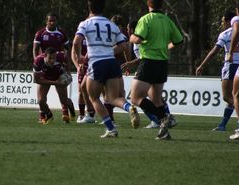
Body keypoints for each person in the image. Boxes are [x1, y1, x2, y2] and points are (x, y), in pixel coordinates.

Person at [72, 0, 140, 138]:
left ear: (89, 8)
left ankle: (111, 129)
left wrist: (79, 57)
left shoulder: (85, 23)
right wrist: (108, 51)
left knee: (94, 97)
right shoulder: (112, 25)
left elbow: (76, 42)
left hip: (97, 63)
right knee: (113, 98)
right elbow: (124, 46)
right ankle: (129, 108)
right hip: (112, 63)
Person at [129, 0, 183, 140]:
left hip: (149, 61)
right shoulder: (167, 20)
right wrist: (165, 47)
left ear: (148, 4)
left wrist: (132, 36)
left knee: (135, 98)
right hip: (162, 63)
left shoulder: (146, 19)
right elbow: (178, 40)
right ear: (162, 5)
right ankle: (164, 132)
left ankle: (165, 117)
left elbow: (138, 39)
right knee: (156, 100)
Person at [123, 20, 177, 129]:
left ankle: (160, 118)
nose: (127, 30)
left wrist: (131, 63)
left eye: (129, 28)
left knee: (138, 97)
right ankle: (164, 119)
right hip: (153, 65)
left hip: (147, 66)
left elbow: (143, 56)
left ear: (133, 29)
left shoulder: (138, 38)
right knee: (154, 97)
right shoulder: (140, 37)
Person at [196, 11, 239, 132]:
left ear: (228, 21)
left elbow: (214, 51)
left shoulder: (226, 34)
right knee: (236, 96)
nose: (221, 23)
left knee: (227, 97)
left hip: (231, 65)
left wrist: (202, 65)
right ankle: (222, 125)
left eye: (222, 21)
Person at [33, 12, 75, 122]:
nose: (52, 22)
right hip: (44, 68)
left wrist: (68, 71)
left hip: (58, 68)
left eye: (54, 20)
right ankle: (44, 116)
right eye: (50, 20)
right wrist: (37, 61)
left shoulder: (61, 33)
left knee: (64, 98)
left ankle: (67, 110)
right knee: (41, 99)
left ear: (56, 21)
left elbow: (67, 51)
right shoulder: (40, 33)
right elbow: (35, 49)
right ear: (46, 21)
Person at [33, 47, 74, 124]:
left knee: (64, 101)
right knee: (41, 101)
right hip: (46, 77)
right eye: (50, 58)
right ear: (45, 56)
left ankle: (71, 107)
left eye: (54, 58)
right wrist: (55, 82)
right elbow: (37, 80)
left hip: (58, 75)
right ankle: (49, 115)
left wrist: (68, 71)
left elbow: (67, 58)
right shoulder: (38, 61)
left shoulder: (60, 56)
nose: (52, 60)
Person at [227, 0, 239, 140]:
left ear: (237, 9)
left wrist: (230, 52)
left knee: (236, 93)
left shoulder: (237, 18)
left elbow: (237, 29)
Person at [75, 39, 96, 124]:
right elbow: (73, 52)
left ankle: (92, 114)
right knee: (82, 89)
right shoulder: (80, 35)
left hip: (94, 65)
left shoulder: (93, 34)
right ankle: (83, 115)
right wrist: (78, 66)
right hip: (83, 67)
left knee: (96, 92)